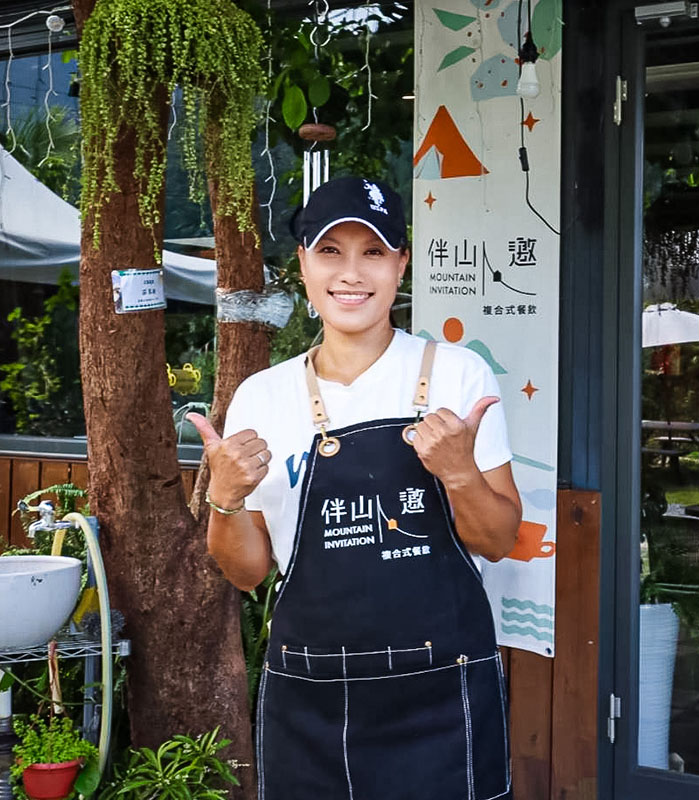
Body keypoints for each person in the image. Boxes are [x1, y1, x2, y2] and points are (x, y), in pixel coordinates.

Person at [186, 176, 521, 799]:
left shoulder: (458, 374)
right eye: (330, 252)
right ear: (304, 267)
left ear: (401, 264)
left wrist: (458, 471)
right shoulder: (263, 394)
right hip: (311, 694)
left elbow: (499, 539)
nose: (352, 273)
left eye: (372, 252)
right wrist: (224, 501)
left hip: (442, 691)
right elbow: (247, 573)